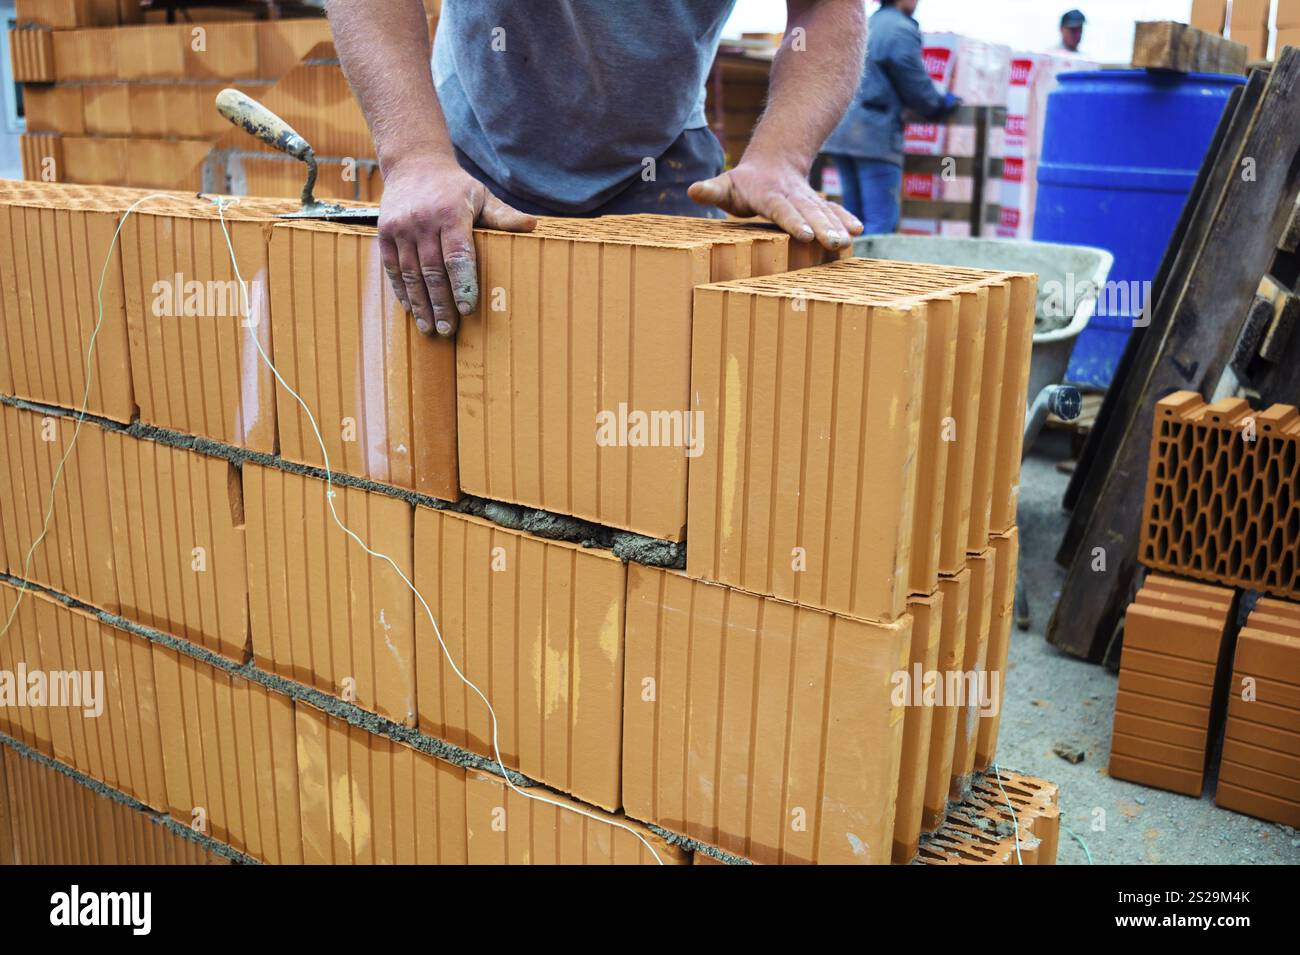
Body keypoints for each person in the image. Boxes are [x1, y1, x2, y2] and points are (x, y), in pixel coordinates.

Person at [328, 0, 868, 338]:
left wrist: (780, 157)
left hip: (665, 157)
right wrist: (416, 157)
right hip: (472, 153)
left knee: (667, 377)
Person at [821, 0, 960, 235]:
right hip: (874, 134)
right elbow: (913, 82)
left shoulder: (867, 22)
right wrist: (938, 106)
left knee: (854, 219)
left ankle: (851, 269)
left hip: (843, 131)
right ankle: (872, 272)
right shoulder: (899, 29)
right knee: (880, 222)